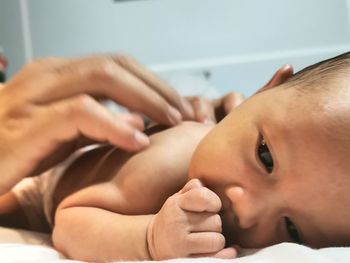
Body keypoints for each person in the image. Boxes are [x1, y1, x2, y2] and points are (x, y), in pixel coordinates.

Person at [9, 51, 350, 262]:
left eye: (291, 229)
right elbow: (68, 220)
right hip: (43, 187)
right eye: (265, 156)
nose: (246, 209)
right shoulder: (170, 159)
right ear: (265, 88)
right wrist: (149, 238)